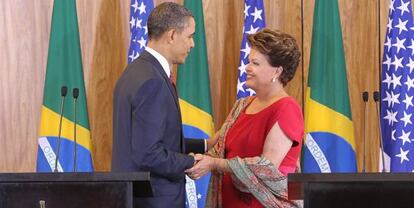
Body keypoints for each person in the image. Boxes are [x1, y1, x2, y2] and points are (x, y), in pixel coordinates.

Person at [186, 29, 304, 208]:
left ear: (277, 71)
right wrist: (191, 160)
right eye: (249, 61)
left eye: (255, 63)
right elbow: (214, 147)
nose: (247, 67)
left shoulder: (287, 108)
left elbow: (265, 167)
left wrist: (214, 164)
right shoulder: (242, 105)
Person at [112, 2, 206, 208]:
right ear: (172, 35)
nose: (193, 44)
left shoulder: (136, 71)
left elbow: (154, 137)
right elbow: (148, 153)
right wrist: (192, 162)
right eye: (190, 36)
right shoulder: (152, 81)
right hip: (155, 200)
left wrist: (205, 146)